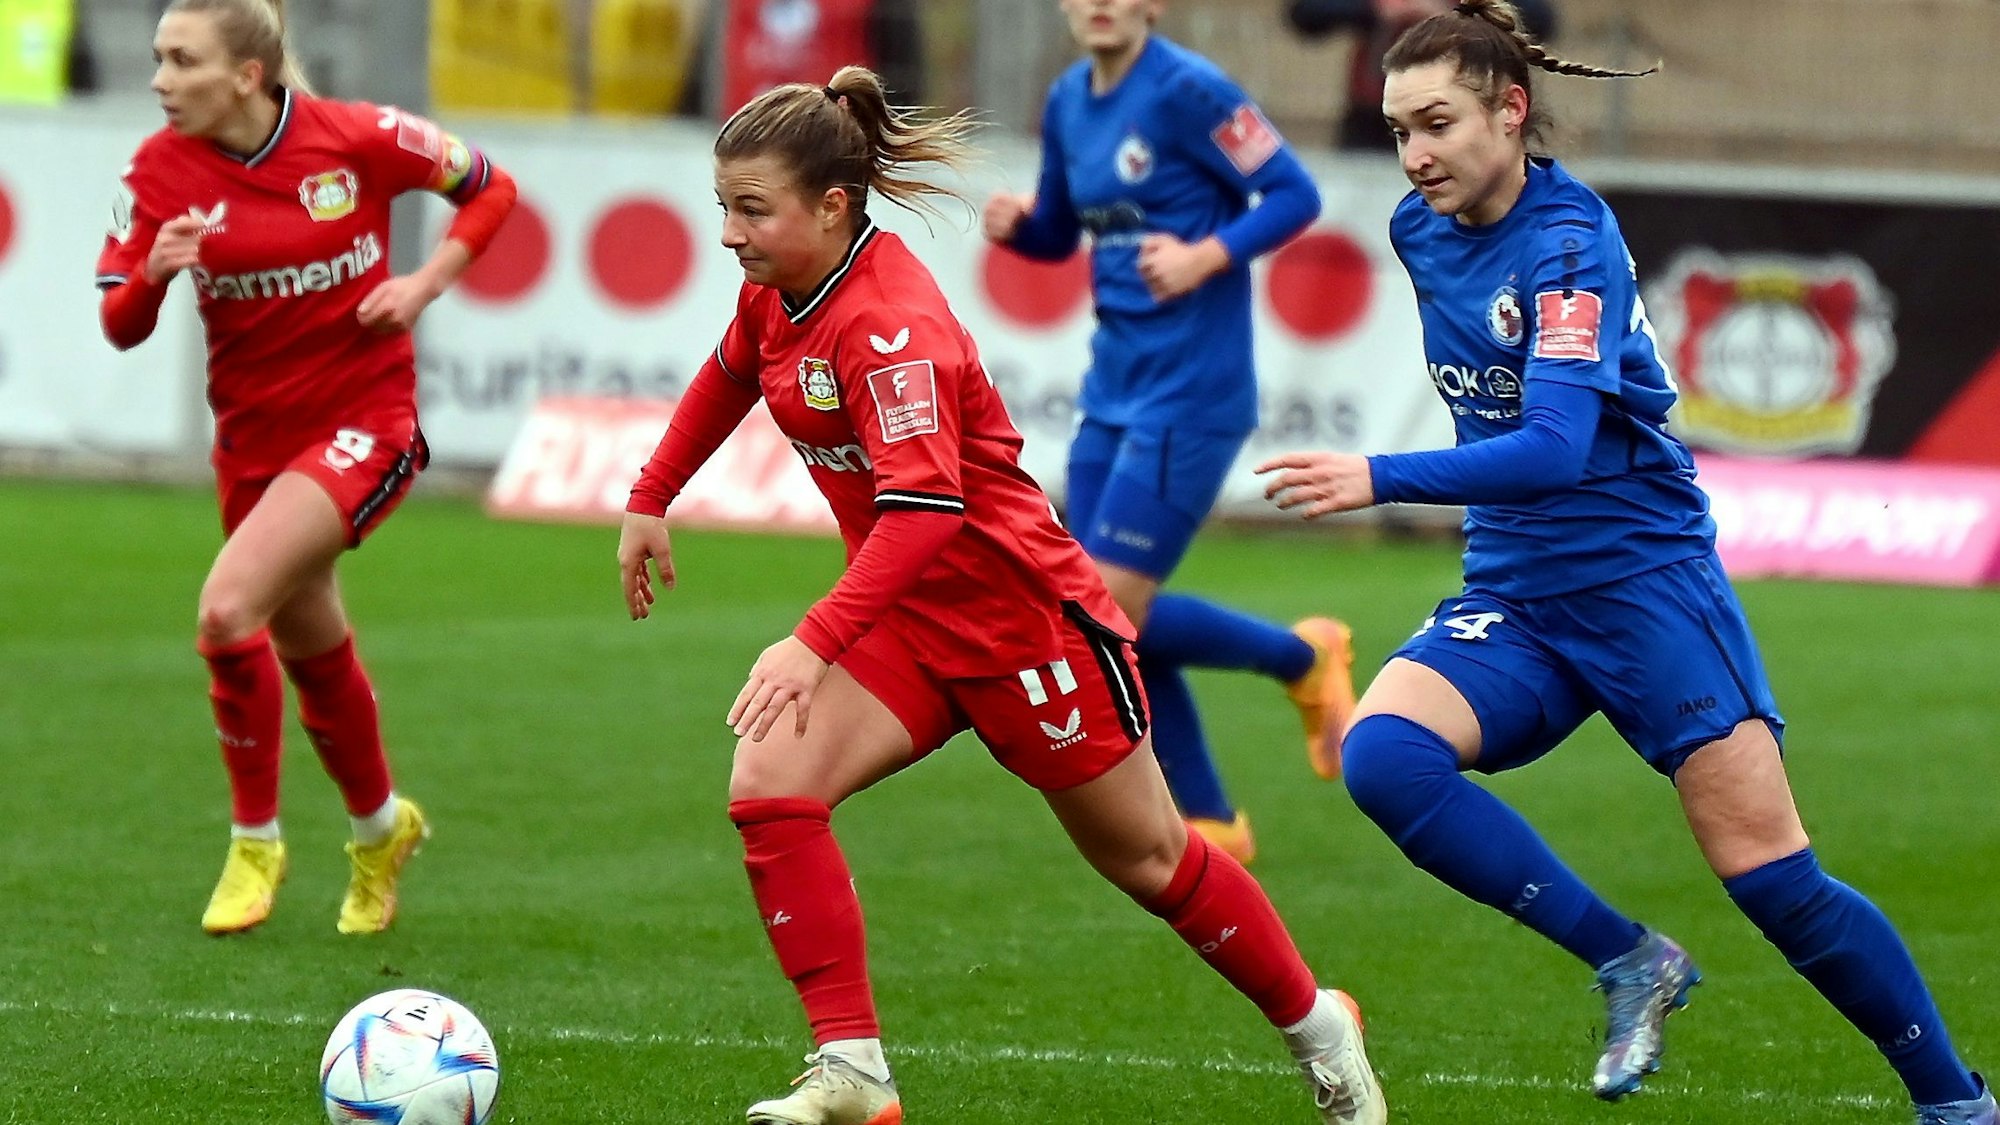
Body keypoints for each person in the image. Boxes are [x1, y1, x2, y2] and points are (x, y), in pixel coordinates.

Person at [1257, 4, 1996, 1121]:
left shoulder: (1568, 244)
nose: (1413, 154)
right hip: (1515, 589)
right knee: (1383, 759)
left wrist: (1377, 475)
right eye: (1398, 126)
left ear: (1509, 115)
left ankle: (1953, 1103)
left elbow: (1555, 447)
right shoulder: (1419, 228)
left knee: (1776, 884)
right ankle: (1627, 959)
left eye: (1438, 124)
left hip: (1643, 586)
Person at [617, 66, 1385, 1125]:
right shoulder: (780, 291)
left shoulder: (890, 330)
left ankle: (1319, 1028)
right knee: (768, 785)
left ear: (831, 207)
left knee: (1155, 861)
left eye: (751, 210)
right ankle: (853, 1071)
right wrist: (649, 494)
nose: (729, 235)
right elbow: (729, 370)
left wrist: (807, 642)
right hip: (908, 625)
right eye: (724, 208)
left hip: (1028, 630)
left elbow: (926, 515)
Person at [95, 0, 518, 936]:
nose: (158, 79)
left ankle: (255, 841)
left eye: (180, 60)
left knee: (224, 610)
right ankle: (379, 829)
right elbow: (118, 324)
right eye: (158, 58)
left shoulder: (357, 137)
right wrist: (155, 274)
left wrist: (420, 285)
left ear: (247, 74)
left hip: (365, 419)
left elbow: (490, 187)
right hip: (252, 447)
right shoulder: (155, 175)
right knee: (307, 648)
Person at [981, 0, 1354, 865]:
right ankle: (1215, 821)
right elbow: (1064, 229)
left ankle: (1300, 657)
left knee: (1102, 607)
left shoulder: (1191, 89)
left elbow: (1295, 193)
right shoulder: (1069, 98)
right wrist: (1022, 228)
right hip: (1112, 386)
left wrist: (1205, 255)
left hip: (1194, 389)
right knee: (1110, 617)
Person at [1284, 0, 1558, 152]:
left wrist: (1455, 11)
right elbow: (1305, 12)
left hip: (1460, 112)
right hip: (1375, 115)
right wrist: (1375, 8)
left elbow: (1541, 19)